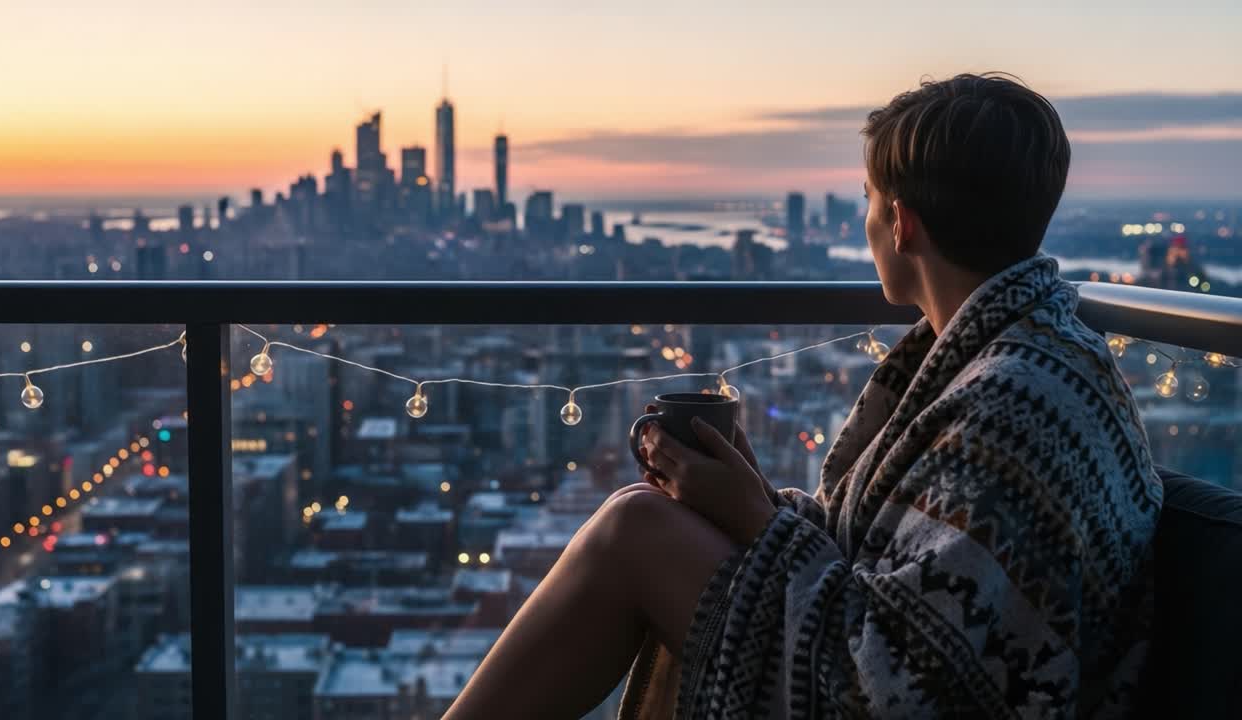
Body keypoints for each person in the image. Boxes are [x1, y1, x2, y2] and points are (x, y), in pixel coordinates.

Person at [443, 73, 1160, 719]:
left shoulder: (1012, 400)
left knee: (635, 532)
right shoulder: (1025, 356)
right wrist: (749, 499)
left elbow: (912, 683)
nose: (868, 223)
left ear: (903, 223)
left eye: (871, 204)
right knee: (645, 517)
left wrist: (757, 517)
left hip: (876, 695)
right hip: (886, 670)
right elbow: (908, 579)